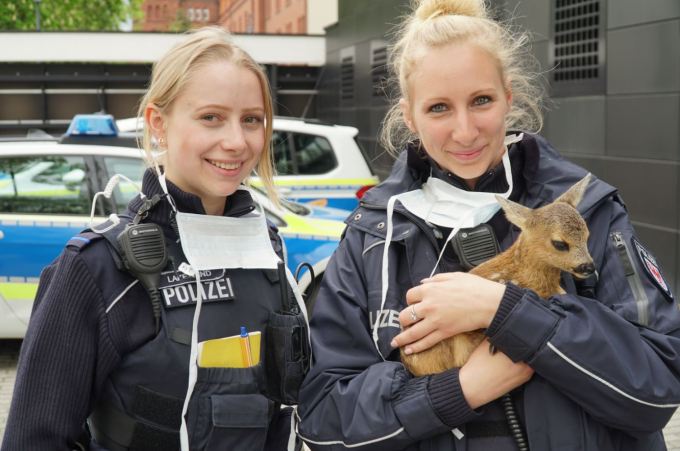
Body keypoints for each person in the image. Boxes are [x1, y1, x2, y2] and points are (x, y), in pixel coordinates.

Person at [296, 0, 680, 450]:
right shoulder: (371, 238)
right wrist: (459, 390)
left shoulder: (589, 211)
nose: (465, 131)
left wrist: (505, 310)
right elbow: (323, 419)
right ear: (409, 116)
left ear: (509, 97)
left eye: (481, 100)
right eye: (439, 108)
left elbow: (657, 386)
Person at [2, 27, 309, 451]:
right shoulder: (96, 267)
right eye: (211, 117)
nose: (237, 141)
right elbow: (33, 440)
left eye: (251, 120)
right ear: (157, 123)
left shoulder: (267, 252)